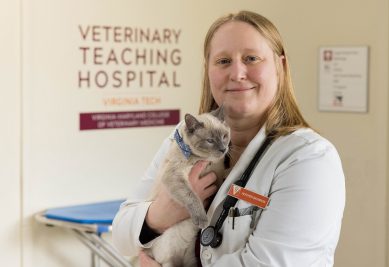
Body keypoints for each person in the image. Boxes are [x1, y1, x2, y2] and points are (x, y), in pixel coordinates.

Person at [112, 10, 345, 267]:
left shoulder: (308, 158)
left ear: (281, 67)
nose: (237, 73)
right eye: (223, 61)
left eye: (252, 58)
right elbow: (122, 236)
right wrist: (163, 213)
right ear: (208, 70)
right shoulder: (184, 138)